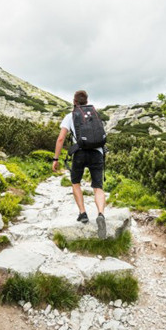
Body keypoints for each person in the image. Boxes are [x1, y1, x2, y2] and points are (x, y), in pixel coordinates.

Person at [52, 90, 107, 239]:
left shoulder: (70, 116)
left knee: (76, 182)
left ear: (74, 101)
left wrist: (55, 159)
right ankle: (101, 214)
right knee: (98, 187)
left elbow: (61, 139)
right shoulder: (95, 114)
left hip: (80, 153)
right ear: (87, 100)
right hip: (97, 153)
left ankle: (82, 213)